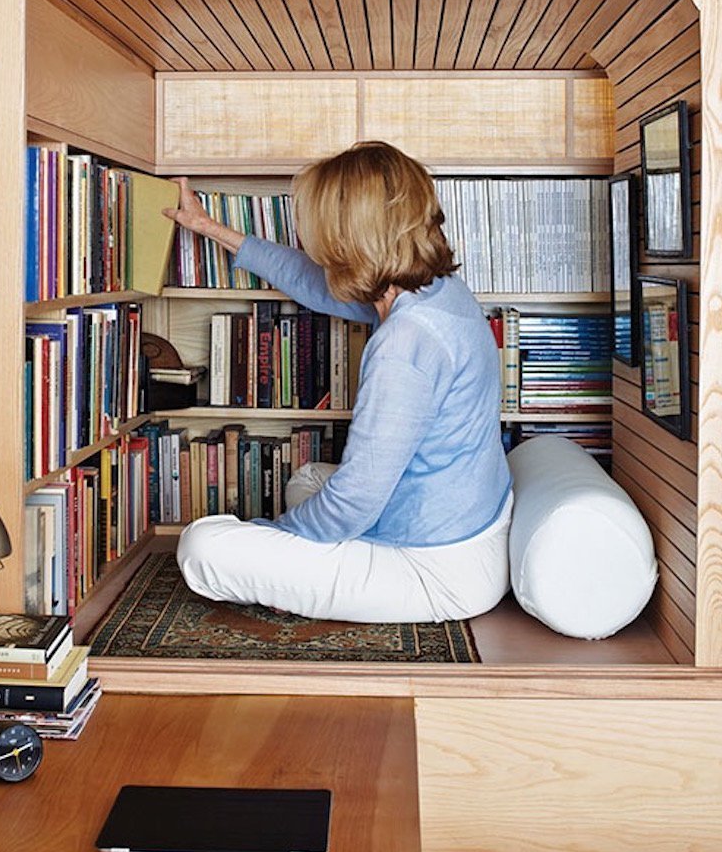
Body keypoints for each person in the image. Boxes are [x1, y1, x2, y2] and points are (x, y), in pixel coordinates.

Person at [162, 141, 512, 623]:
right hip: (465, 524)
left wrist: (273, 537)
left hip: (435, 568)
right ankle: (305, 571)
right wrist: (210, 228)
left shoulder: (406, 343)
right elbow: (311, 281)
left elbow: (352, 505)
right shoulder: (435, 290)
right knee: (305, 480)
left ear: (349, 238)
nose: (313, 243)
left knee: (201, 547)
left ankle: (295, 573)